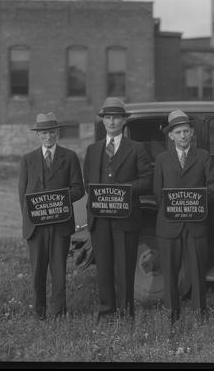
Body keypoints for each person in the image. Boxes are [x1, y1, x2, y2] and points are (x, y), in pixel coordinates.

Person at [83, 97, 152, 322]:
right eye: (108, 118)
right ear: (103, 122)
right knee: (103, 268)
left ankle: (125, 314)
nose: (112, 122)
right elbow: (88, 183)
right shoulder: (93, 150)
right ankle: (105, 313)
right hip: (100, 220)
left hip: (126, 218)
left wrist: (123, 191)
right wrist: (102, 198)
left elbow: (147, 179)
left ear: (124, 121)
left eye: (117, 118)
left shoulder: (136, 148)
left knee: (124, 267)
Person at [153, 110, 214, 324]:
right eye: (178, 132)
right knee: (170, 272)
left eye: (186, 131)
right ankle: (172, 314)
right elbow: (157, 192)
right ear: (171, 136)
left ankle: (200, 313)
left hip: (196, 224)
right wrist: (173, 207)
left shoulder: (203, 156)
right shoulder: (162, 159)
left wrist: (197, 200)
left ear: (192, 133)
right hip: (169, 225)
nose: (182, 136)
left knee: (198, 271)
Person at [18, 112, 84, 320]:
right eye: (44, 133)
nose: (48, 137)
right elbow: (23, 195)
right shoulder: (28, 160)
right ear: (38, 135)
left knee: (59, 271)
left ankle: (58, 313)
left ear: (58, 133)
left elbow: (78, 189)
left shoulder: (70, 156)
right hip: (36, 228)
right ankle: (39, 313)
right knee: (38, 272)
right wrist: (32, 218)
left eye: (52, 133)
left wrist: (59, 201)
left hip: (60, 225)